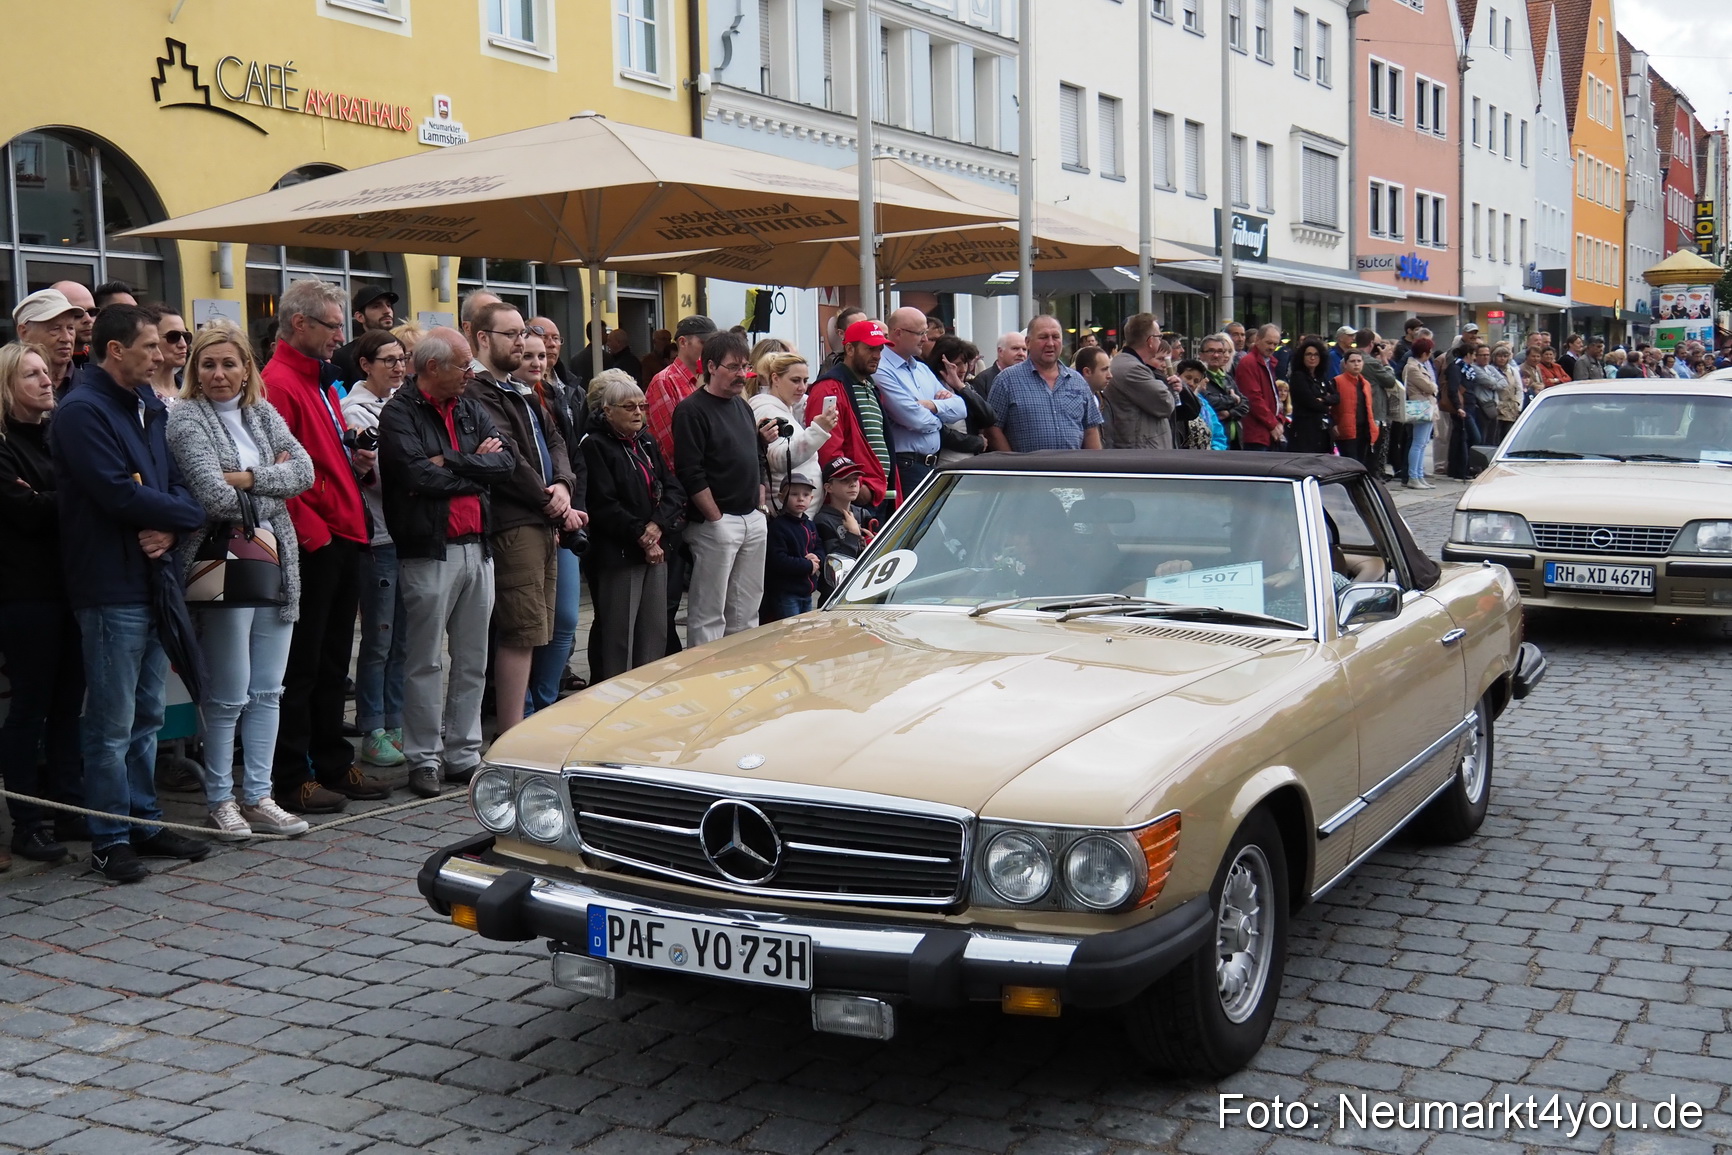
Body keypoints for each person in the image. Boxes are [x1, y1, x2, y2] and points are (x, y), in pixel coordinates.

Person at [51, 304, 211, 882]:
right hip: (108, 583)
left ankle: (144, 819)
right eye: (149, 346)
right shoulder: (82, 411)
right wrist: (176, 510)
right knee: (112, 722)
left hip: (152, 576)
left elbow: (177, 489)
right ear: (115, 350)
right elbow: (116, 493)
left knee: (148, 713)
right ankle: (108, 836)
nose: (161, 355)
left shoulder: (146, 406)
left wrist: (174, 520)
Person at [167, 327, 315, 841]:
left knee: (268, 689)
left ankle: (259, 794)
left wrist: (247, 480)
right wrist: (267, 481)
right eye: (207, 364)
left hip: (277, 563)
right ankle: (219, 799)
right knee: (228, 692)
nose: (218, 374)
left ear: (247, 368)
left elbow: (305, 471)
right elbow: (212, 496)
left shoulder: (262, 413)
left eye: (229, 363)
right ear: (194, 370)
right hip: (219, 565)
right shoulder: (185, 418)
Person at [262, 279, 388, 814]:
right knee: (304, 666)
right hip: (319, 540)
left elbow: (321, 458)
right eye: (334, 325)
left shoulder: (315, 380)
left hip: (342, 533)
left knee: (334, 662)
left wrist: (353, 463)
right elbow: (277, 472)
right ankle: (293, 775)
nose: (343, 335)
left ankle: (331, 762)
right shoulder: (279, 382)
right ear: (300, 324)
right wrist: (316, 535)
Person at [378, 329, 516, 798]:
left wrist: (451, 462)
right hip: (428, 550)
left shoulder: (471, 405)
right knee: (424, 662)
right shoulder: (399, 412)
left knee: (473, 659)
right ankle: (423, 758)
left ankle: (463, 753)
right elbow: (415, 475)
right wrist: (473, 468)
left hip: (478, 547)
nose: (472, 372)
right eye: (463, 365)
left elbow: (507, 462)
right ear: (433, 367)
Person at [466, 302, 583, 735]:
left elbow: (554, 439)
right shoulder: (478, 390)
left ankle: (529, 717)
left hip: (543, 517)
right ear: (483, 338)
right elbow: (508, 456)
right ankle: (512, 728)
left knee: (544, 626)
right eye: (512, 335)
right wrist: (549, 501)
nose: (522, 342)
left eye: (522, 334)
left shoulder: (517, 388)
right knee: (521, 628)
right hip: (515, 520)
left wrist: (565, 488)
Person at [0, 344, 84, 864]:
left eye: (45, 373)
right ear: (8, 386)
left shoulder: (57, 439)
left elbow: (58, 502)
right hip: (24, 595)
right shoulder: (4, 446)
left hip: (71, 588)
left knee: (67, 707)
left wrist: (52, 498)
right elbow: (26, 513)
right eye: (31, 375)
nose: (46, 380)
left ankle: (70, 807)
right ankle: (26, 822)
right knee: (29, 707)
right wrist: (63, 499)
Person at [581, 370, 684, 681]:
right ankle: (613, 696)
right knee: (618, 634)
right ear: (607, 411)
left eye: (641, 406)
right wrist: (643, 535)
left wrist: (657, 526)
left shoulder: (647, 441)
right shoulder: (595, 445)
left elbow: (673, 488)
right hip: (620, 553)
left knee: (654, 630)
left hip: (655, 546)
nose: (639, 412)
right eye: (629, 407)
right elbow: (603, 504)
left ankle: (647, 691)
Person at [674, 330, 771, 646]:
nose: (742, 374)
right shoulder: (691, 409)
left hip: (750, 517)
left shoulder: (742, 406)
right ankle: (704, 676)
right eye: (733, 367)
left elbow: (755, 451)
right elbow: (690, 470)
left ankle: (741, 674)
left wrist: (759, 500)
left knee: (746, 610)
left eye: (744, 366)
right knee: (708, 612)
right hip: (716, 522)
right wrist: (715, 518)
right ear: (711, 366)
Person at [340, 329, 410, 767]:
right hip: (378, 534)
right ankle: (373, 726)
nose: (399, 367)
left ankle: (398, 718)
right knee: (379, 638)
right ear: (366, 365)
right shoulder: (355, 409)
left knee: (405, 638)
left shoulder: (403, 403)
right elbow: (382, 473)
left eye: (402, 358)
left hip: (409, 534)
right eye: (389, 360)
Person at [521, 328, 586, 712]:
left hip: (567, 515)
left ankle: (545, 700)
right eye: (529, 354)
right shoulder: (506, 397)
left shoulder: (557, 396)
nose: (537, 362)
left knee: (565, 620)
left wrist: (566, 494)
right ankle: (524, 704)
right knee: (529, 625)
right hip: (531, 519)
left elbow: (566, 451)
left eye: (542, 356)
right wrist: (550, 503)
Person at [645, 314, 717, 655]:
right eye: (704, 342)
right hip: (680, 499)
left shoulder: (704, 382)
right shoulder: (666, 381)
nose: (708, 349)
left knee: (704, 590)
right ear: (684, 342)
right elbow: (670, 448)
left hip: (702, 495)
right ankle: (665, 656)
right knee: (671, 593)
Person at [877, 307, 967, 497]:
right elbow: (914, 419)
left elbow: (961, 408)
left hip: (932, 465)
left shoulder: (922, 369)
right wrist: (941, 418)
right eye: (920, 333)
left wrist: (932, 405)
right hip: (906, 467)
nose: (925, 340)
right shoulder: (881, 370)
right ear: (898, 333)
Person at [807, 319, 895, 512]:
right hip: (855, 498)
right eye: (870, 349)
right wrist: (856, 487)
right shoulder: (829, 387)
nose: (877, 355)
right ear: (849, 349)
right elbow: (827, 447)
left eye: (880, 349)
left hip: (876, 493)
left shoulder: (870, 387)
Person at [989, 315, 1104, 452]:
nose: (1050, 343)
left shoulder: (1078, 381)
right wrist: (1013, 465)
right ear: (1028, 342)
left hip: (1071, 469)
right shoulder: (1006, 381)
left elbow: (1090, 430)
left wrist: (1092, 467)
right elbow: (992, 430)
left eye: (1055, 337)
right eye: (1043, 337)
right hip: (1027, 471)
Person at [751, 351, 839, 510]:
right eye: (795, 380)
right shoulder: (767, 410)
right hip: (786, 514)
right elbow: (779, 459)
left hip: (796, 514)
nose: (802, 387)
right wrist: (818, 431)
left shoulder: (784, 407)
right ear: (775, 378)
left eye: (805, 380)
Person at [1104, 313, 1177, 450]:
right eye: (1159, 336)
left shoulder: (1128, 363)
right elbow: (1165, 403)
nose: (1161, 341)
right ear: (1150, 341)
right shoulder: (1132, 369)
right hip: (1143, 453)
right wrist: (1167, 385)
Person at [925, 336, 999, 465]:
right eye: (956, 365)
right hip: (944, 461)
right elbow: (938, 431)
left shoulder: (967, 388)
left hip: (970, 461)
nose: (963, 369)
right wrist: (976, 442)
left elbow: (989, 417)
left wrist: (961, 387)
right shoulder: (931, 388)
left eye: (965, 363)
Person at [761, 469, 823, 623]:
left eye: (805, 495)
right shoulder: (778, 527)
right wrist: (807, 565)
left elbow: (819, 547)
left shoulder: (810, 524)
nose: (800, 499)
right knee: (790, 630)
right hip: (787, 592)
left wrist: (817, 558)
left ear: (812, 498)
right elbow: (778, 559)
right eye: (794, 494)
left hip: (807, 591)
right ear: (782, 497)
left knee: (804, 629)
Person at [13, 289, 82, 394]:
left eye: (70, 328)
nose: (67, 338)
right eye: (55, 329)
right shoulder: (8, 389)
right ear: (24, 332)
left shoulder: (95, 386)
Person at [331, 286, 399, 387]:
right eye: (376, 306)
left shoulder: (401, 349)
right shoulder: (343, 357)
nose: (387, 311)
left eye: (389, 305)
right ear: (360, 317)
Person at [1233, 324, 1285, 450]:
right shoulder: (1249, 363)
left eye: (1275, 344)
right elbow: (1253, 398)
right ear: (1257, 340)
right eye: (1268, 343)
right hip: (1256, 432)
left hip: (1266, 430)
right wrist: (1273, 424)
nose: (1272, 347)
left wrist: (1278, 421)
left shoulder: (1269, 362)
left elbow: (1272, 396)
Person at [1284, 336, 1337, 454]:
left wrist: (1322, 399)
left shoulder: (1321, 377)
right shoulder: (1298, 377)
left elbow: (1336, 397)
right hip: (1305, 433)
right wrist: (1326, 405)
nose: (1312, 358)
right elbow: (1310, 402)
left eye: (1316, 354)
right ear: (1302, 357)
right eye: (1308, 354)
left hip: (1323, 432)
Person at [816, 457, 875, 562]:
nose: (853, 484)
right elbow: (834, 564)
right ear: (828, 487)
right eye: (844, 480)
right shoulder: (822, 520)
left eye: (855, 479)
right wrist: (852, 534)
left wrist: (873, 544)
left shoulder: (863, 514)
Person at [1364, 340, 1407, 480]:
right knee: (1378, 444)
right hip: (1378, 408)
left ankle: (1379, 471)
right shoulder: (1374, 363)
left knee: (1383, 443)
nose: (1389, 352)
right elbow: (1390, 380)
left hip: (1382, 407)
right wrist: (1383, 360)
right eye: (1386, 350)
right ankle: (1377, 472)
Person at [1197, 333, 1249, 449]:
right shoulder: (1199, 378)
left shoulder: (1227, 378)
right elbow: (1209, 401)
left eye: (1220, 351)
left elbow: (1245, 405)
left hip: (1235, 440)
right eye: (1211, 351)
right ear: (1201, 355)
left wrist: (1229, 413)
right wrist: (1233, 399)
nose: (1216, 355)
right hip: (1214, 442)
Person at [1401, 337, 1438, 489]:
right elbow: (1429, 387)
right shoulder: (1412, 367)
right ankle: (1413, 476)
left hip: (1426, 406)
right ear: (1425, 352)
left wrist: (1432, 386)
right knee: (1418, 443)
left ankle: (1419, 475)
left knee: (1422, 444)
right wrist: (1433, 386)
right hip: (1421, 406)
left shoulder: (1418, 366)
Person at [1330, 351, 1379, 465]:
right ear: (1345, 364)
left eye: (1359, 361)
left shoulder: (1365, 383)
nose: (1356, 364)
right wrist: (1333, 424)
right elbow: (1330, 407)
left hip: (1364, 430)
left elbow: (1369, 408)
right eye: (1352, 361)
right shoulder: (1337, 381)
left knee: (1361, 462)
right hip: (1345, 430)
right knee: (1349, 463)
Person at [1174, 359, 1229, 450]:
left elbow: (1218, 435)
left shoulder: (1203, 404)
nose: (1191, 383)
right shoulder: (1170, 400)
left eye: (1196, 381)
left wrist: (1215, 451)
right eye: (1188, 377)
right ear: (1177, 376)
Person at [143, 304, 190, 404]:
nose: (183, 344)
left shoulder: (192, 392)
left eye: (186, 336)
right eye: (173, 336)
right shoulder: (136, 396)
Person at [49, 281, 97, 367]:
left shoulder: (102, 362)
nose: (88, 319)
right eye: (77, 313)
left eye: (92, 312)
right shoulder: (39, 368)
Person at [973, 331, 1027, 398]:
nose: (1021, 353)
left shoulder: (1032, 379)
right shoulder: (983, 381)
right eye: (1015, 348)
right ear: (1000, 351)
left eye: (1024, 349)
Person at [1491, 342, 1523, 442]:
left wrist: (1518, 405)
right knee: (1495, 436)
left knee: (1508, 435)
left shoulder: (1513, 370)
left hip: (1511, 408)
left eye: (1505, 356)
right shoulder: (1491, 370)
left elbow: (1519, 389)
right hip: (1497, 407)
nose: (1502, 359)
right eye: (1499, 356)